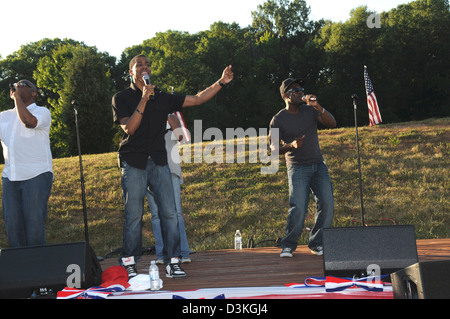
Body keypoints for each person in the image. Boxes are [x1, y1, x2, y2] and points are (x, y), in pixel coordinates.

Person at [112, 55, 233, 278]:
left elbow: (197, 99)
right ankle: (129, 262)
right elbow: (129, 129)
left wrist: (221, 82)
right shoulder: (122, 97)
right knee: (134, 214)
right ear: (131, 72)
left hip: (159, 161)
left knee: (170, 212)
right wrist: (144, 99)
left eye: (147, 65)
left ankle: (173, 260)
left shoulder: (163, 98)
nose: (145, 67)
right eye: (140, 65)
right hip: (134, 161)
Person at [269, 78, 336, 258]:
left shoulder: (310, 110)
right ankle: (289, 245)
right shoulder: (278, 119)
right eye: (295, 90)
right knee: (298, 207)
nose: (300, 93)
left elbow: (332, 123)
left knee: (327, 204)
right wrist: (291, 145)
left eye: (301, 89)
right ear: (285, 96)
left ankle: (316, 243)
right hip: (297, 169)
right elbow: (273, 150)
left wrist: (317, 106)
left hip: (318, 166)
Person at [0, 80, 53, 248]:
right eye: (16, 84)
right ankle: (20, 267)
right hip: (10, 177)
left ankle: (38, 267)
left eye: (23, 84)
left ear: (33, 93)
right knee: (13, 225)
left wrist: (17, 98)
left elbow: (29, 122)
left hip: (36, 175)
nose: (17, 85)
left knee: (34, 225)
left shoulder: (42, 112)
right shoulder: (3, 116)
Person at [147, 113, 191, 264]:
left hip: (171, 171)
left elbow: (181, 137)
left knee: (176, 212)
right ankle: (162, 254)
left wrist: (170, 119)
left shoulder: (169, 118)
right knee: (156, 215)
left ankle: (183, 253)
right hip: (150, 172)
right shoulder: (141, 118)